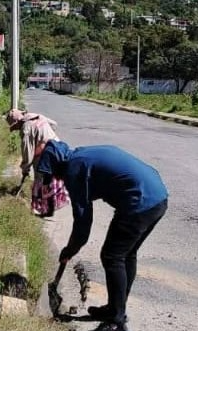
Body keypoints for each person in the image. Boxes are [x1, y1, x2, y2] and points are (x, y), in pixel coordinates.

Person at [36, 139, 168, 331]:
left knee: (112, 256)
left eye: (55, 175)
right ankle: (116, 308)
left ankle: (116, 322)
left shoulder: (74, 170)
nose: (57, 179)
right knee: (127, 254)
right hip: (157, 197)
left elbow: (82, 225)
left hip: (139, 202)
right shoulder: (80, 155)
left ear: (58, 167)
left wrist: (69, 250)